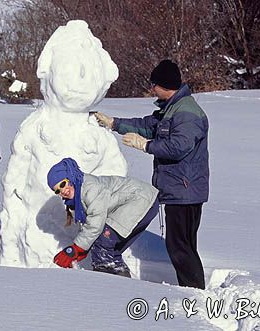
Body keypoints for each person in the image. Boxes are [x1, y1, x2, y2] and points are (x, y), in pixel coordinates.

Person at [94, 59, 209, 289]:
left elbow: (179, 147)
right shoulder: (172, 109)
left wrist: (145, 146)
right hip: (178, 189)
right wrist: (114, 123)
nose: (151, 89)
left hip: (185, 191)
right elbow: (146, 126)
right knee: (182, 245)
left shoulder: (187, 113)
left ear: (164, 85)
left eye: (153, 84)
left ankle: (194, 292)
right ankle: (192, 289)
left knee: (180, 247)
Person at [47, 158, 159, 278]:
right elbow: (91, 223)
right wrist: (82, 249)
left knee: (103, 244)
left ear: (71, 178)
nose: (63, 191)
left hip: (140, 200)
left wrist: (76, 248)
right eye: (57, 190)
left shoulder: (90, 189)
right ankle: (122, 285)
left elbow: (95, 223)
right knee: (110, 250)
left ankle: (106, 287)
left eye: (63, 184)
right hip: (144, 202)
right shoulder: (79, 193)